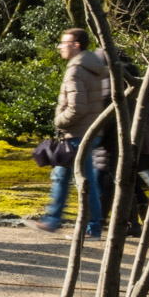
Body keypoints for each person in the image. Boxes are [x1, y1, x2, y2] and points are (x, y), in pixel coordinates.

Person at [29, 28, 110, 238]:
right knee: (62, 176)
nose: (59, 46)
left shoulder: (76, 70)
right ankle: (53, 220)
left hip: (77, 134)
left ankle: (92, 227)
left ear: (75, 45)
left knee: (83, 181)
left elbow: (77, 108)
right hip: (88, 132)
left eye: (63, 42)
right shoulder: (92, 67)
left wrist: (58, 121)